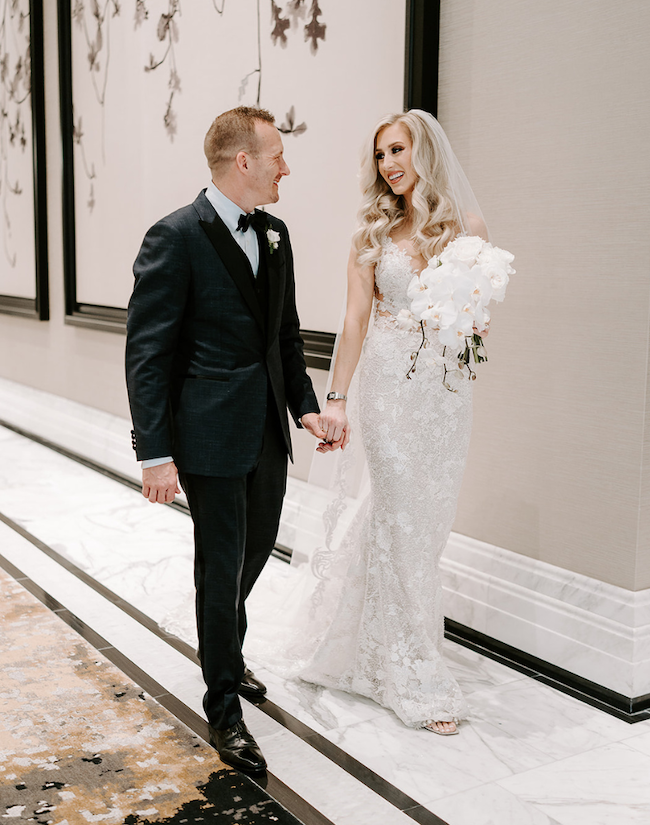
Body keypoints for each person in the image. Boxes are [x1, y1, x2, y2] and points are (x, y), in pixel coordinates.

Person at [125, 106, 331, 773]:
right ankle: (224, 705)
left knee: (257, 549)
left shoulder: (276, 234)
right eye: (278, 155)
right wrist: (156, 453)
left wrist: (305, 407)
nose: (285, 168)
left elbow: (286, 333)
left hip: (268, 429)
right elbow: (148, 354)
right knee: (220, 570)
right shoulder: (175, 237)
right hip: (208, 437)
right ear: (244, 160)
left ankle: (227, 652)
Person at [270, 109, 489, 735]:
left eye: (398, 150)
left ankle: (363, 641)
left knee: (426, 528)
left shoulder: (466, 229)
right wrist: (336, 397)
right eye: (381, 154)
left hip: (444, 399)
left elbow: (478, 322)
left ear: (425, 152)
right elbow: (356, 320)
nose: (389, 164)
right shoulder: (372, 233)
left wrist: (466, 329)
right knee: (397, 516)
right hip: (388, 393)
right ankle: (410, 670)